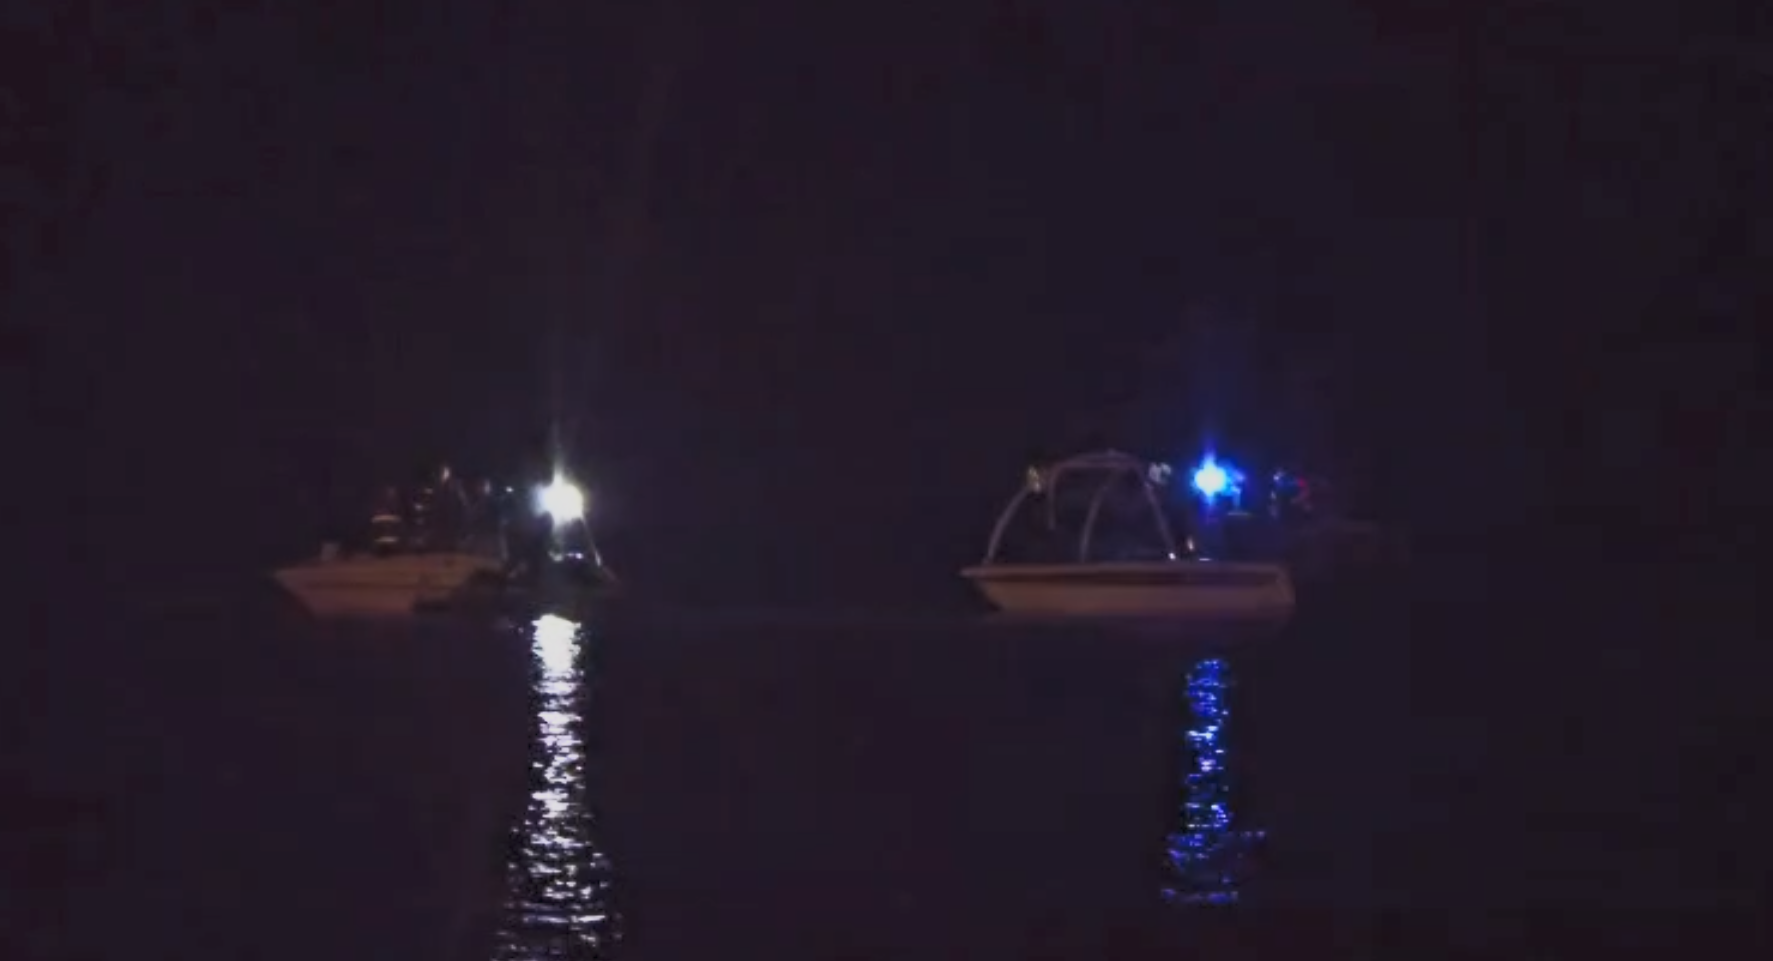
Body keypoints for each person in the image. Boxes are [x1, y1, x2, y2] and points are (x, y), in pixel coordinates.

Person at [368, 485, 404, 556]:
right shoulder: (382, 502)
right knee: (383, 533)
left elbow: (397, 512)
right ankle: (382, 549)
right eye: (390, 492)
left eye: (392, 492)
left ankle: (387, 548)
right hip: (383, 524)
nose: (391, 494)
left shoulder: (395, 502)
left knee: (390, 532)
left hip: (387, 525)